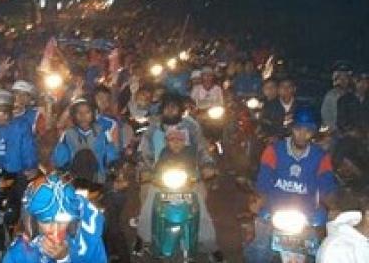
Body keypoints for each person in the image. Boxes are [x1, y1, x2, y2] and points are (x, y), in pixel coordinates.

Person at [244, 106, 338, 261]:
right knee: (259, 249)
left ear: (313, 133)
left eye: (307, 131)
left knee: (323, 250)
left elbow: (327, 185)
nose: (302, 135)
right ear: (292, 128)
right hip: (273, 210)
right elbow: (263, 181)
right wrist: (258, 199)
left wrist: (334, 207)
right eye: (298, 129)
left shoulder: (321, 157)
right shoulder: (273, 151)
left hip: (308, 214)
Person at [135, 128, 223, 262]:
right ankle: (143, 238)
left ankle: (211, 245)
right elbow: (155, 169)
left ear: (185, 141)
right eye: (172, 140)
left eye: (180, 140)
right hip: (164, 187)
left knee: (202, 211)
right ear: (166, 142)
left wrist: (206, 170)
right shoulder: (164, 153)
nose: (176, 143)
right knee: (148, 205)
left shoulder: (192, 152)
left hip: (189, 187)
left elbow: (203, 163)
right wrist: (148, 174)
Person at [3, 173, 107, 263]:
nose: (55, 230)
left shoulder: (88, 242)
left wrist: (64, 259)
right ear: (32, 220)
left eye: (62, 221)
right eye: (47, 221)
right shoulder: (20, 253)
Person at [52, 99, 119, 183]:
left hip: (99, 181)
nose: (83, 116)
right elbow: (60, 160)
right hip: (74, 181)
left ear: (93, 114)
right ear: (74, 115)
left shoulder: (103, 133)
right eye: (79, 112)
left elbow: (112, 158)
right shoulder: (68, 134)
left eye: (87, 112)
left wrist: (111, 172)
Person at [321, 62, 354, 132]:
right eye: (340, 77)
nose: (343, 80)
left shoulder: (354, 95)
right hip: (334, 132)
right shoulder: (330, 96)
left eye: (345, 77)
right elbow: (326, 120)